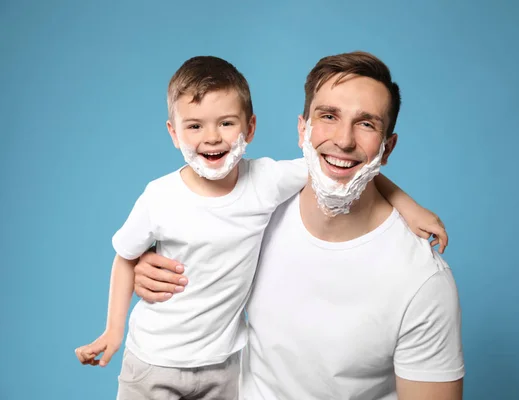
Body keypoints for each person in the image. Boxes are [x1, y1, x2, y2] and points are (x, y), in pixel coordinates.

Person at [74, 55, 449, 400]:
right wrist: (137, 279)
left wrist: (405, 203)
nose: (344, 139)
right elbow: (335, 164)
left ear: (249, 127)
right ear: (303, 130)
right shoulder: (175, 198)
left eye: (366, 123)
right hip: (157, 360)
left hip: (221, 367)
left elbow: (346, 168)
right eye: (329, 116)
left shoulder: (267, 186)